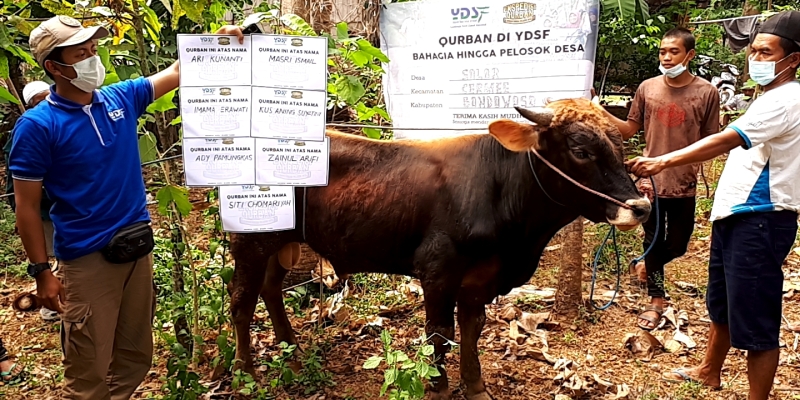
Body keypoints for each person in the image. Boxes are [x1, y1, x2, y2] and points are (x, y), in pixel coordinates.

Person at [8, 15, 244, 399]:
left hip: (137, 250)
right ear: (54, 66)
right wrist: (41, 272)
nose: (91, 58)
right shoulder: (38, 126)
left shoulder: (120, 98)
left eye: (93, 49)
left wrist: (216, 40)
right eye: (80, 52)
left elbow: (177, 69)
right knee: (87, 372)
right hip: (87, 262)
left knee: (135, 356)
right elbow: (26, 207)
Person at [627, 10, 800, 400]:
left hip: (760, 218)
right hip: (735, 217)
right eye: (753, 50)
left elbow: (724, 139)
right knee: (721, 302)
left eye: (766, 52)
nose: (755, 58)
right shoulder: (769, 96)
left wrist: (663, 160)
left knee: (756, 318)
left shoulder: (787, 99)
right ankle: (709, 370)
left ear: (792, 60)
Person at [599, 28, 721, 331]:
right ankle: (656, 299)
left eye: (674, 52)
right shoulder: (647, 88)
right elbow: (628, 129)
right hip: (649, 182)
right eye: (662, 52)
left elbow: (712, 140)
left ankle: (645, 265)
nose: (666, 57)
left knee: (679, 244)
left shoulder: (706, 92)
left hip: (684, 181)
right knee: (652, 240)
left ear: (689, 55)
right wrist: (599, 110)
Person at [2, 81, 60, 323]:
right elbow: (18, 184)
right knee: (51, 258)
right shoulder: (26, 132)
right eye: (39, 101)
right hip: (43, 208)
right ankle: (51, 306)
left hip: (65, 205)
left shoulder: (60, 122)